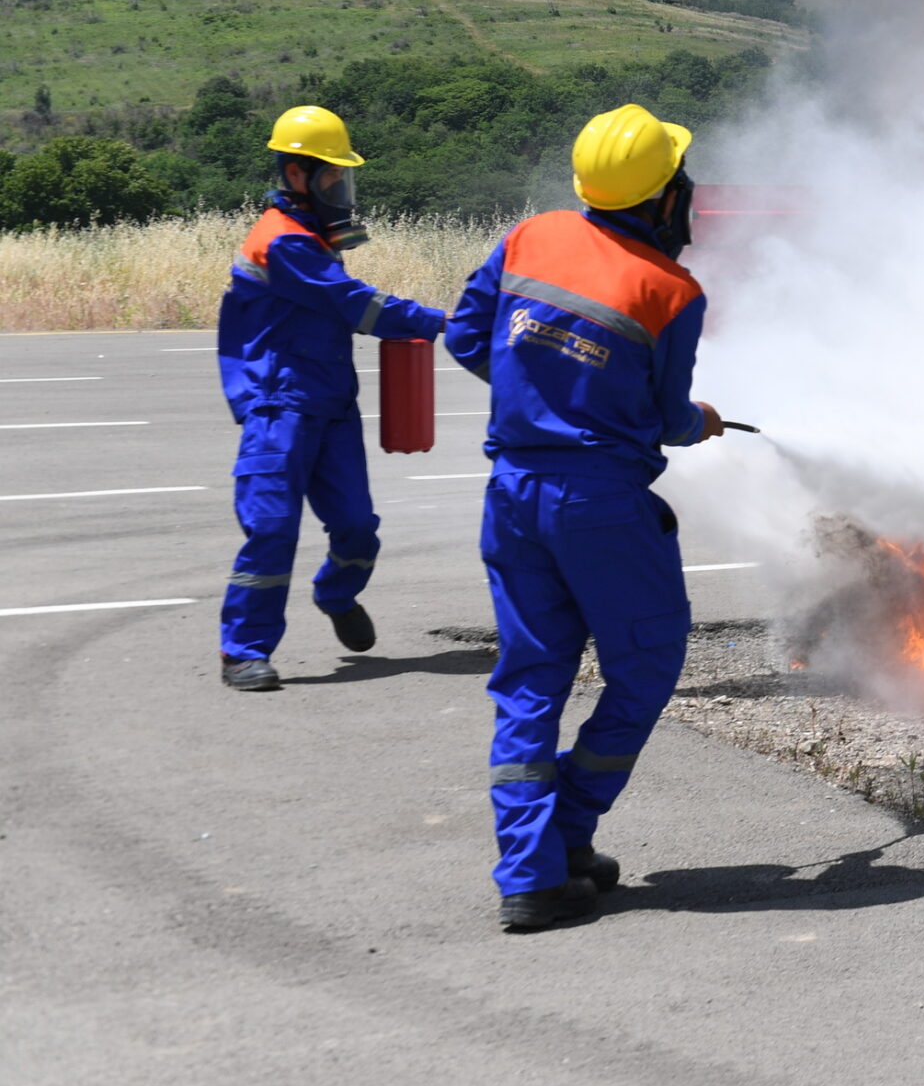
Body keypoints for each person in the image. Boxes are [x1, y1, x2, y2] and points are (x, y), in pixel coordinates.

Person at [444, 104, 725, 932]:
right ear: (663, 197)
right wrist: (700, 421)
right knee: (646, 664)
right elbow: (663, 414)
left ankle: (531, 871)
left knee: (531, 681)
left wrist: (536, 386)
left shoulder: (528, 237)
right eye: (681, 180)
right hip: (600, 506)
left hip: (513, 493)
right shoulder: (670, 289)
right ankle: (569, 823)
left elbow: (466, 337)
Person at [215, 108, 448, 692]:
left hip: (332, 405)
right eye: (332, 177)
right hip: (280, 407)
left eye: (344, 178)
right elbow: (356, 305)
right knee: (272, 529)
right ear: (297, 175)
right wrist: (443, 320)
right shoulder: (284, 241)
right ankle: (243, 652)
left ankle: (335, 594)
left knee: (357, 528)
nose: (341, 189)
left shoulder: (311, 237)